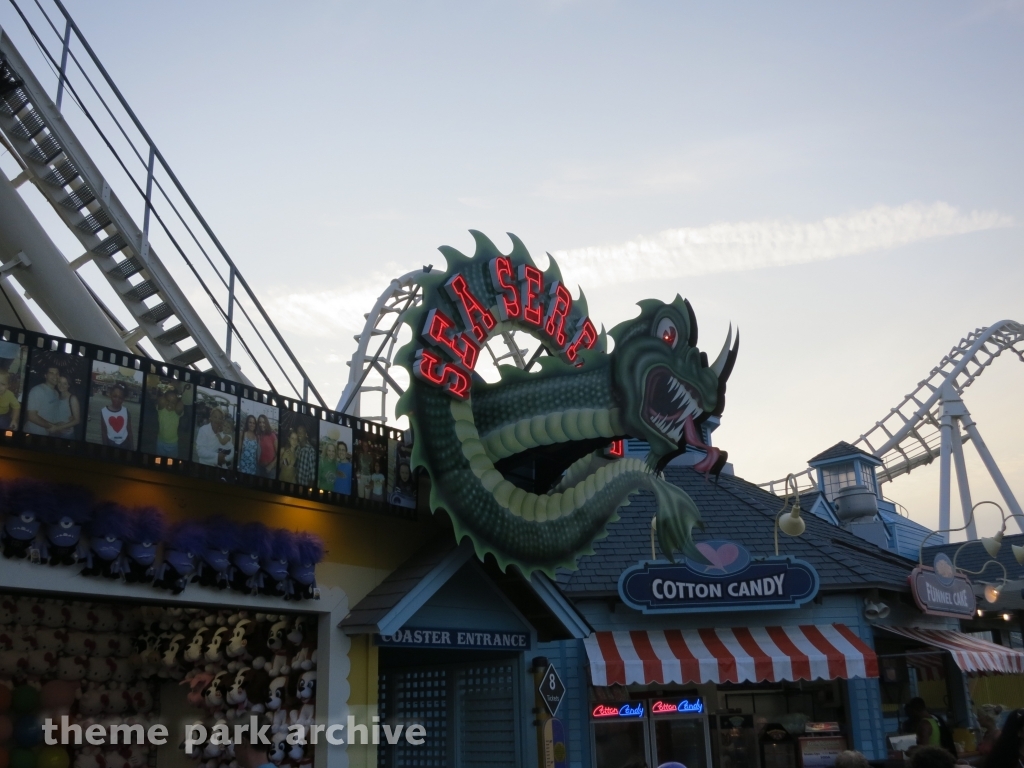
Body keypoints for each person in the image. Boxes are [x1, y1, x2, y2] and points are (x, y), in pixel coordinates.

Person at [24, 365, 60, 435]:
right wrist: (51, 426)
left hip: (47, 433)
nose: (55, 376)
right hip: (33, 432)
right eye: (51, 373)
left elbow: (52, 412)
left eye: (57, 373)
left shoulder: (56, 393)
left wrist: (59, 424)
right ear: (45, 375)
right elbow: (31, 416)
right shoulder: (37, 390)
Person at [156, 389, 184, 457]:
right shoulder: (161, 410)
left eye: (173, 403)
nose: (170, 404)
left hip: (172, 443)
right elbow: (161, 400)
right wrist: (168, 395)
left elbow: (180, 406)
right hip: (160, 441)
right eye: (168, 401)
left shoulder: (176, 413)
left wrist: (179, 399)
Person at [256, 414, 278, 478]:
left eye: (263, 422)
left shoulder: (272, 435)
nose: (261, 424)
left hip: (270, 469)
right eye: (260, 422)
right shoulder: (258, 436)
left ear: (266, 423)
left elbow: (278, 454)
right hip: (259, 468)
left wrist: (271, 465)